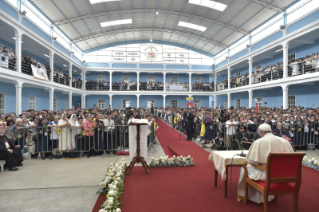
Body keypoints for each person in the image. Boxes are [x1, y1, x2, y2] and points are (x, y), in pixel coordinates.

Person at [237, 124, 294, 203]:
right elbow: (291, 158)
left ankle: (250, 196)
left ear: (261, 132)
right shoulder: (285, 141)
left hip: (266, 175)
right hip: (284, 174)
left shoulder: (258, 142)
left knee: (244, 169)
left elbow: (251, 161)